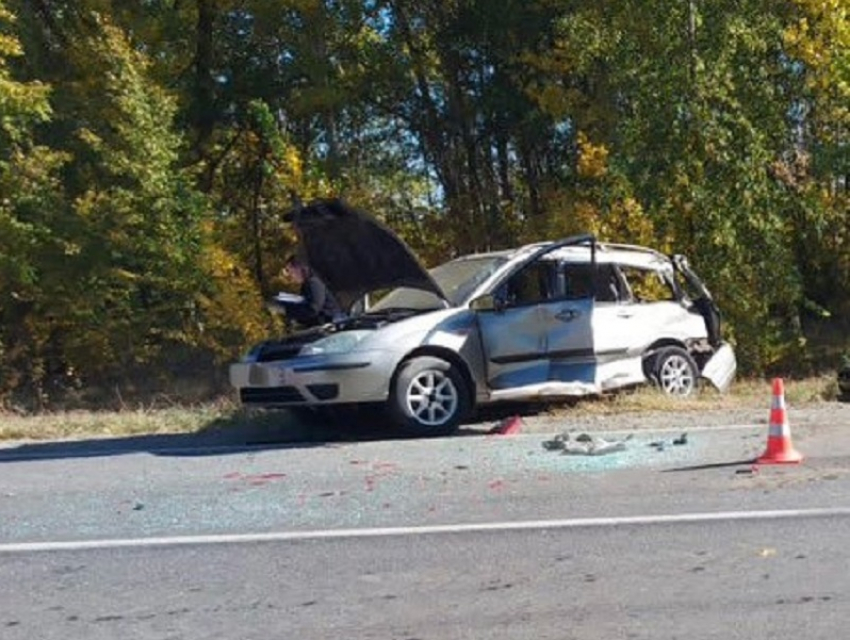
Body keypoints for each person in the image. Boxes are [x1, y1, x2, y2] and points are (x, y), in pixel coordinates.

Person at [279, 255, 342, 327]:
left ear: (298, 268)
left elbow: (313, 309)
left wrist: (287, 311)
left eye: (289, 270)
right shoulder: (306, 286)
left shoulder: (313, 283)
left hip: (330, 326)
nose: (290, 275)